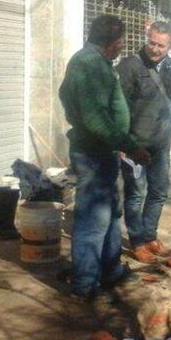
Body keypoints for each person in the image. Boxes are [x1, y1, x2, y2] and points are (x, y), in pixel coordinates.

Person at [59, 15, 151, 301]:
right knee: (93, 219)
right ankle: (85, 283)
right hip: (93, 154)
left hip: (102, 152)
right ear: (114, 43)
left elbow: (67, 95)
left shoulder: (91, 62)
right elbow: (95, 119)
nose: (122, 47)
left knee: (111, 212)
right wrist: (130, 145)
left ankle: (111, 269)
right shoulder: (88, 65)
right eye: (121, 41)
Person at [116, 21, 171, 263]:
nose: (155, 49)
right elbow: (118, 106)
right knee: (135, 194)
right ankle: (137, 242)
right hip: (135, 144)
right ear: (147, 38)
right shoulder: (130, 66)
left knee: (159, 191)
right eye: (151, 43)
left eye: (161, 45)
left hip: (161, 142)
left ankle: (150, 236)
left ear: (169, 45)